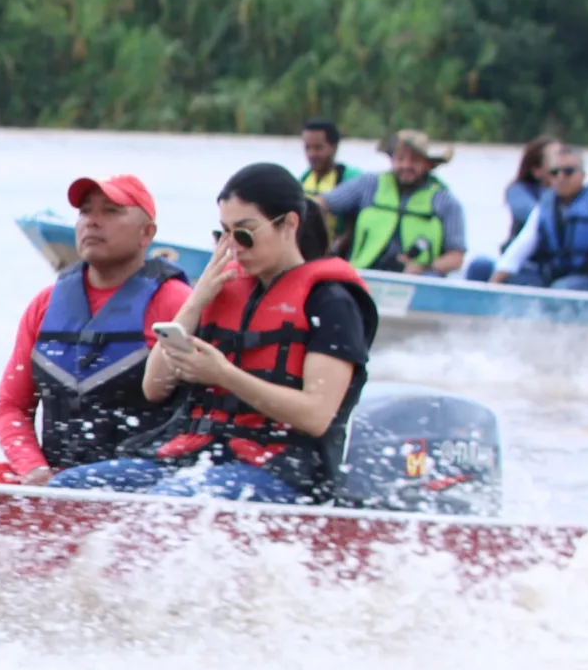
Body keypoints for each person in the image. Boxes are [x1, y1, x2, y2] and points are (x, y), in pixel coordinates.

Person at [52, 163, 376, 505]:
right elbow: (154, 387)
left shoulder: (332, 302)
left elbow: (316, 416)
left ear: (289, 223)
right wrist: (196, 300)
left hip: (283, 472)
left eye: (245, 233)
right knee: (69, 489)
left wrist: (223, 374)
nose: (234, 246)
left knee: (167, 502)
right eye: (223, 234)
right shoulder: (223, 290)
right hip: (197, 458)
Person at [0, 174, 190, 485]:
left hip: (142, 478)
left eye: (110, 211)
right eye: (85, 211)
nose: (93, 222)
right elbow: (12, 407)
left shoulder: (175, 301)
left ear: (146, 233)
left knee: (67, 485)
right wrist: (33, 468)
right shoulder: (45, 304)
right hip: (54, 476)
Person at [318, 129, 465, 276]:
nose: (406, 165)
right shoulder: (369, 184)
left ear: (427, 164)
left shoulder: (445, 201)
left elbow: (456, 258)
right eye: (400, 159)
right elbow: (321, 203)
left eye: (414, 160)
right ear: (391, 159)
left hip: (417, 279)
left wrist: (425, 268)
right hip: (364, 275)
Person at [487, 141, 588, 290]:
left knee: (562, 288)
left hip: (586, 278)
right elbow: (521, 247)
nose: (561, 177)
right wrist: (493, 283)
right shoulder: (545, 206)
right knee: (504, 277)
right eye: (555, 172)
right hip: (555, 275)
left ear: (582, 175)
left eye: (568, 171)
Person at [467, 135, 558, 279]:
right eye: (555, 160)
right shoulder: (519, 190)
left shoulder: (575, 199)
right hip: (526, 264)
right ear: (537, 170)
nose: (561, 165)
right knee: (480, 266)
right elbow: (533, 216)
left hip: (553, 266)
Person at [297, 118, 357, 197]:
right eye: (307, 147)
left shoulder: (352, 180)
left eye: (318, 147)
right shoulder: (303, 179)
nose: (311, 154)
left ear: (334, 148)